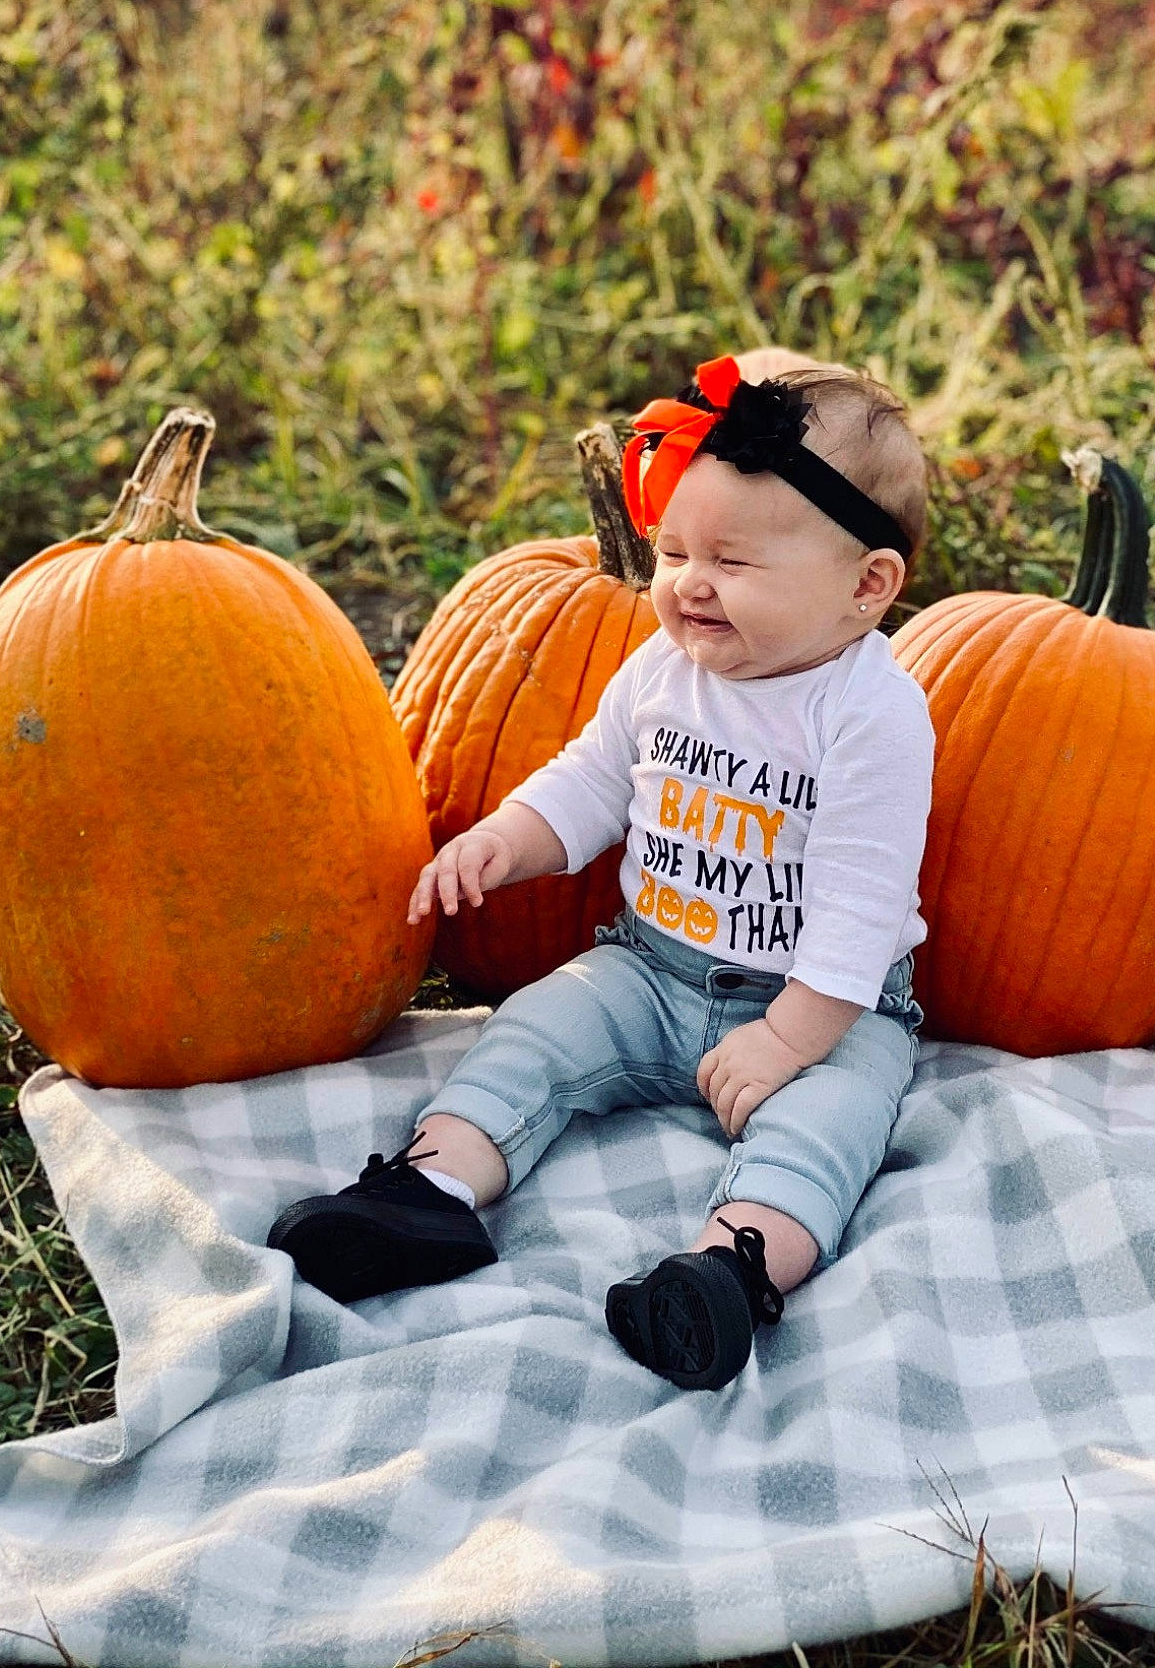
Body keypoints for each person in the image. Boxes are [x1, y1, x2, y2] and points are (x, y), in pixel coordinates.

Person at [270, 353, 935, 1391]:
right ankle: (430, 1192)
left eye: (734, 560)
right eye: (673, 550)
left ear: (867, 586)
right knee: (534, 1029)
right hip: (649, 967)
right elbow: (589, 784)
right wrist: (508, 837)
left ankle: (730, 1268)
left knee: (830, 1125)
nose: (688, 581)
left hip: (827, 1009)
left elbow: (859, 911)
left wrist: (790, 1038)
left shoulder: (871, 713)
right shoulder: (664, 670)